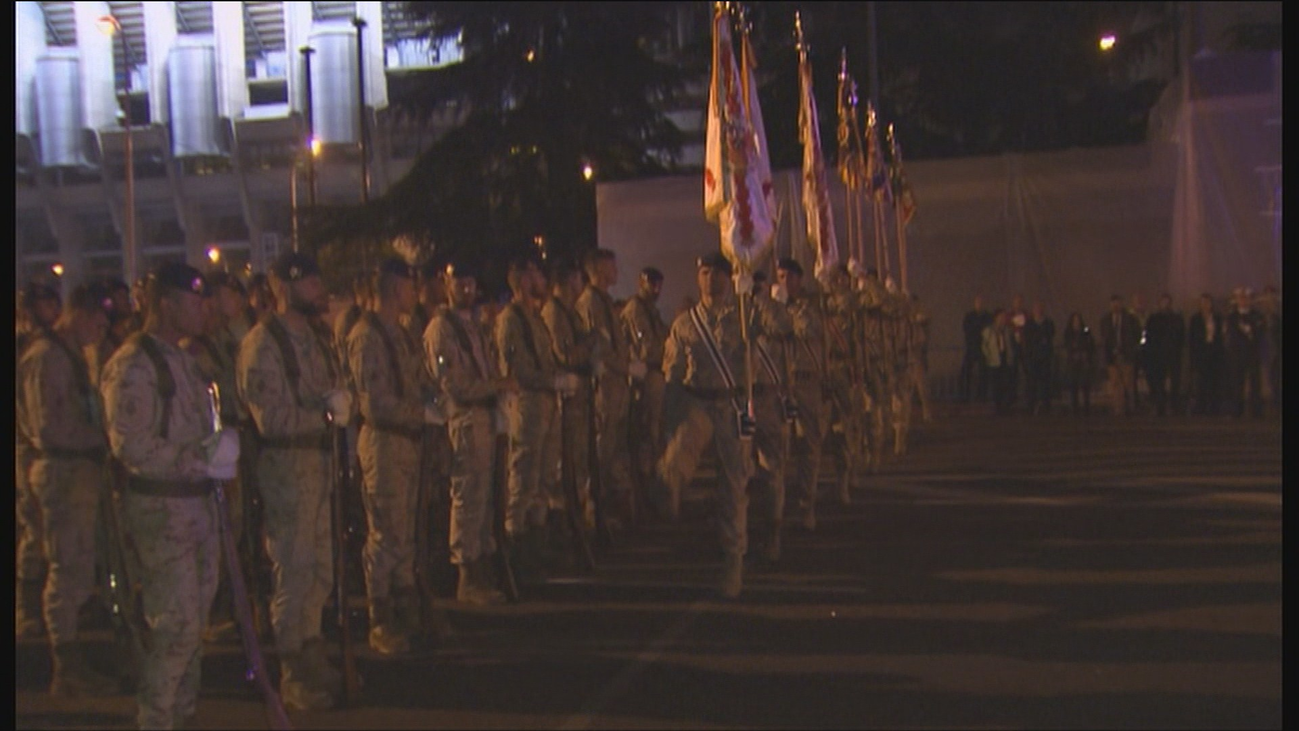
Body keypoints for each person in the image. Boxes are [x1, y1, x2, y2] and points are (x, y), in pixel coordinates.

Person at [101, 263, 241, 728]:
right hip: (164, 509)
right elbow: (130, 445)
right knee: (175, 628)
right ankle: (156, 719)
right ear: (166, 305)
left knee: (193, 628)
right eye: (195, 302)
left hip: (196, 506)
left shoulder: (184, 360)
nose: (205, 310)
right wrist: (199, 458)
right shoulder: (134, 364)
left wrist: (217, 452)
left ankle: (181, 715)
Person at [237, 251, 349, 710]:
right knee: (293, 566)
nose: (320, 290)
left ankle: (311, 646)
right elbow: (271, 419)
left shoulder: (317, 339)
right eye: (310, 283)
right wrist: (325, 415)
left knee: (321, 565)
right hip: (287, 467)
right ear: (284, 288)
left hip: (319, 464)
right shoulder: (263, 343)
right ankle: (292, 667)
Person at [17, 282, 115, 696]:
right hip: (61, 469)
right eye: (97, 321)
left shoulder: (73, 355)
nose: (100, 330)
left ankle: (72, 658)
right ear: (77, 314)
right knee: (66, 566)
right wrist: (100, 439)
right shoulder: (47, 357)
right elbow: (49, 428)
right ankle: (66, 664)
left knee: (77, 565)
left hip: (78, 470)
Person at [347, 259, 442, 654]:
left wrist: (432, 397)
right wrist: (420, 412)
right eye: (409, 285)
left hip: (407, 441)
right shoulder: (366, 336)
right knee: (385, 533)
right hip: (384, 442)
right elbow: (375, 403)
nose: (414, 292)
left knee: (405, 531)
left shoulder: (401, 334)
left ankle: (406, 610)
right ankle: (380, 618)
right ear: (394, 288)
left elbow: (417, 380)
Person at [657, 253, 754, 598]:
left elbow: (774, 336)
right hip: (697, 403)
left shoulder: (744, 317)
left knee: (733, 487)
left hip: (731, 406)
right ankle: (669, 496)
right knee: (673, 465)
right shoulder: (685, 324)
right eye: (705, 272)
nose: (711, 279)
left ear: (728, 278)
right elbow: (672, 373)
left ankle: (733, 561)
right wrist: (670, 419)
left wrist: (753, 294)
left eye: (718, 273)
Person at [424, 259, 520, 606]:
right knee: (468, 496)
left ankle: (482, 565)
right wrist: (496, 386)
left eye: (470, 282)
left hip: (485, 415)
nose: (466, 288)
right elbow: (453, 384)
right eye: (458, 282)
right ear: (446, 283)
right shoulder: (441, 329)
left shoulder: (474, 325)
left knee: (485, 495)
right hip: (465, 418)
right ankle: (467, 573)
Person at [495, 256, 577, 586]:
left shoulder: (536, 318)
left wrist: (558, 378)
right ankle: (516, 555)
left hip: (545, 405)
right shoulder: (511, 320)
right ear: (523, 280)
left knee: (543, 480)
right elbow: (520, 370)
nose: (542, 280)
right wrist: (552, 381)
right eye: (535, 275)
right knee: (523, 481)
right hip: (527, 405)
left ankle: (537, 548)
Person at [576, 249, 645, 531]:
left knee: (614, 449)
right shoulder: (591, 302)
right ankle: (594, 513)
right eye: (611, 265)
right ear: (598, 269)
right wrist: (627, 367)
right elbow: (601, 349)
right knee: (601, 451)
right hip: (604, 389)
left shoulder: (603, 301)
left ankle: (609, 511)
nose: (616, 270)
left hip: (617, 388)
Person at [16, 280, 63, 640]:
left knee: (50, 530)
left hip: (40, 445)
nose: (52, 311)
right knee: (33, 527)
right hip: (28, 445)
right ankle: (26, 606)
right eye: (44, 305)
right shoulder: (29, 350)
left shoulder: (51, 347)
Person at [540, 258, 599, 538]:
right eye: (578, 278)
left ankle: (577, 517)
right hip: (566, 399)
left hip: (578, 397)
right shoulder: (554, 313)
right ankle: (564, 522)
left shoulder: (569, 312)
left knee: (579, 459)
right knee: (566, 461)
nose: (581, 284)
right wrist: (590, 343)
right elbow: (566, 355)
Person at [775, 258, 827, 540]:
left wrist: (784, 312)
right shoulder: (774, 306)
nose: (784, 282)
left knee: (808, 445)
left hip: (805, 383)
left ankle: (807, 505)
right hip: (780, 385)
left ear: (799, 279)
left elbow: (806, 329)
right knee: (779, 447)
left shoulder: (809, 307)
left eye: (789, 277)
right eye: (780, 277)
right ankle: (778, 508)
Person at [621, 267, 669, 514]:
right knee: (646, 435)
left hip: (655, 375)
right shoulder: (636, 309)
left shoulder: (650, 310)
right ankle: (643, 494)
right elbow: (647, 347)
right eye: (652, 284)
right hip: (645, 376)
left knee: (654, 434)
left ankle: (651, 491)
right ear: (642, 282)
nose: (656, 289)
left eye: (659, 284)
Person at [1224, 287, 1265, 418]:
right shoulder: (1232, 316)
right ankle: (1237, 410)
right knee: (1237, 382)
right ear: (1236, 300)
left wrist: (1250, 332)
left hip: (1253, 354)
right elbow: (1231, 335)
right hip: (1237, 354)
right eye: (1240, 298)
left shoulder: (1257, 315)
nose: (1243, 300)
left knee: (1255, 383)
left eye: (1246, 298)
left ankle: (1256, 410)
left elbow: (1260, 333)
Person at [1144, 293, 1186, 417]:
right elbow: (1149, 336)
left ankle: (1174, 405)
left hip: (1173, 354)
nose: (1165, 305)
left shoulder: (1176, 318)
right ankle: (1160, 405)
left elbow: (1181, 336)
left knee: (1175, 381)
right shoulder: (1154, 319)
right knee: (1159, 381)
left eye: (1167, 302)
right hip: (1158, 355)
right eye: (1163, 302)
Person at [1099, 294, 1141, 416]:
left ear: (1122, 303)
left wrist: (1129, 348)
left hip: (1127, 356)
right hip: (1112, 357)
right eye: (1113, 303)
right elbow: (1104, 338)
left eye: (1117, 303)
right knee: (1116, 384)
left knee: (1128, 384)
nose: (1115, 305)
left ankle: (1130, 408)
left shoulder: (1131, 319)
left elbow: (1137, 335)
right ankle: (1119, 409)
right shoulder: (1105, 320)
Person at [1187, 293, 1226, 416]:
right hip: (1201, 353)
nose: (1205, 305)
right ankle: (1201, 407)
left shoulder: (1217, 318)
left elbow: (1221, 336)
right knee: (1201, 381)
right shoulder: (1195, 319)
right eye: (1203, 302)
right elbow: (1192, 339)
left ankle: (1214, 407)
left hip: (1215, 353)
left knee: (1214, 381)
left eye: (1207, 302)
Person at [1023, 301, 1056, 415]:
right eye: (1036, 309)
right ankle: (1031, 405)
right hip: (1033, 357)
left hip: (1045, 357)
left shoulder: (1048, 323)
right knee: (1032, 382)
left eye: (1040, 309)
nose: (1038, 311)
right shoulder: (1029, 324)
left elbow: (1050, 336)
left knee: (1045, 382)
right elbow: (1028, 339)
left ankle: (1046, 405)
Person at [958, 296, 992, 403]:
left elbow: (988, 330)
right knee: (966, 371)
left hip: (983, 347)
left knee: (983, 372)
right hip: (972, 346)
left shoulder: (987, 316)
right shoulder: (969, 316)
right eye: (978, 302)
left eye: (981, 302)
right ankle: (964, 395)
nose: (979, 304)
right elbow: (967, 330)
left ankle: (981, 396)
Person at [1062, 313, 1096, 416]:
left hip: (1083, 361)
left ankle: (1086, 407)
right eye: (1075, 320)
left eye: (1078, 320)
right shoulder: (1068, 333)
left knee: (1085, 385)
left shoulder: (1085, 331)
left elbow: (1091, 344)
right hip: (1073, 361)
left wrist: (1086, 354)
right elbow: (1066, 345)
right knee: (1073, 385)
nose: (1076, 323)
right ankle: (1074, 407)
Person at [982, 309, 1014, 415]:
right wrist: (988, 356)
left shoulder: (1007, 330)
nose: (1003, 319)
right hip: (994, 360)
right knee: (996, 383)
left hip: (1005, 358)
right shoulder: (989, 330)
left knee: (1006, 383)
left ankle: (1005, 405)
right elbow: (984, 345)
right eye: (1001, 317)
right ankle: (997, 405)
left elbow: (1010, 344)